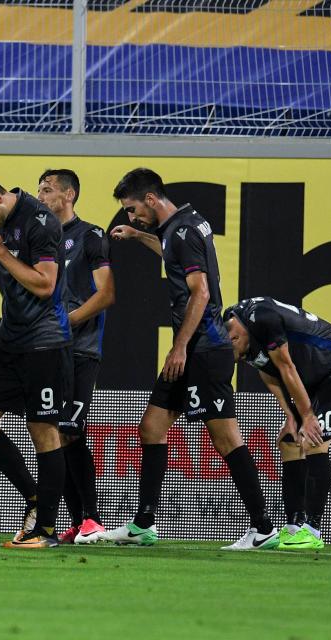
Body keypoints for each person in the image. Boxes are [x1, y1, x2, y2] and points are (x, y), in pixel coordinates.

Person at [105, 167, 277, 550]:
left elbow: (200, 294)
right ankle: (144, 524)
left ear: (150, 199)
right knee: (151, 427)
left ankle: (263, 528)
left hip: (203, 348)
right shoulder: (185, 222)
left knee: (225, 436)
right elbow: (172, 254)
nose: (131, 217)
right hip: (193, 348)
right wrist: (138, 236)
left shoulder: (181, 233)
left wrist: (180, 345)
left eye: (133, 211)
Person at [0, 173, 72, 549]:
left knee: (43, 431)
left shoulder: (41, 222)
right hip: (11, 342)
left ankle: (47, 529)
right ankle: (35, 496)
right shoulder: (0, 225)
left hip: (45, 342)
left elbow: (45, 285)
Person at [224, 297, 331, 549]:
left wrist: (308, 416)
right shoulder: (235, 324)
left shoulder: (263, 318)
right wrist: (291, 416)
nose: (237, 359)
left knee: (314, 439)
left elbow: (286, 367)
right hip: (317, 378)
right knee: (290, 442)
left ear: (235, 337)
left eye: (235, 354)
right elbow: (268, 371)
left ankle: (312, 530)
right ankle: (294, 527)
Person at [36, 169, 115, 545]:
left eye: (47, 189)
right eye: (39, 189)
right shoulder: (43, 238)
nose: (41, 195)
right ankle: (78, 521)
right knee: (56, 434)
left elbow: (106, 294)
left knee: (70, 431)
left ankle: (92, 519)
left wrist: (67, 322)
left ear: (68, 195)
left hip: (81, 350)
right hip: (49, 350)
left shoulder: (90, 236)